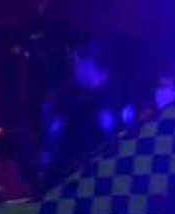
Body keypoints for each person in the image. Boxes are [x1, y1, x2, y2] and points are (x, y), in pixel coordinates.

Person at [38, 40, 133, 185]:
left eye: (77, 62)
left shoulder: (120, 96)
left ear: (89, 64)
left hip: (108, 179)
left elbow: (125, 140)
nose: (74, 67)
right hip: (70, 180)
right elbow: (55, 136)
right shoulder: (69, 97)